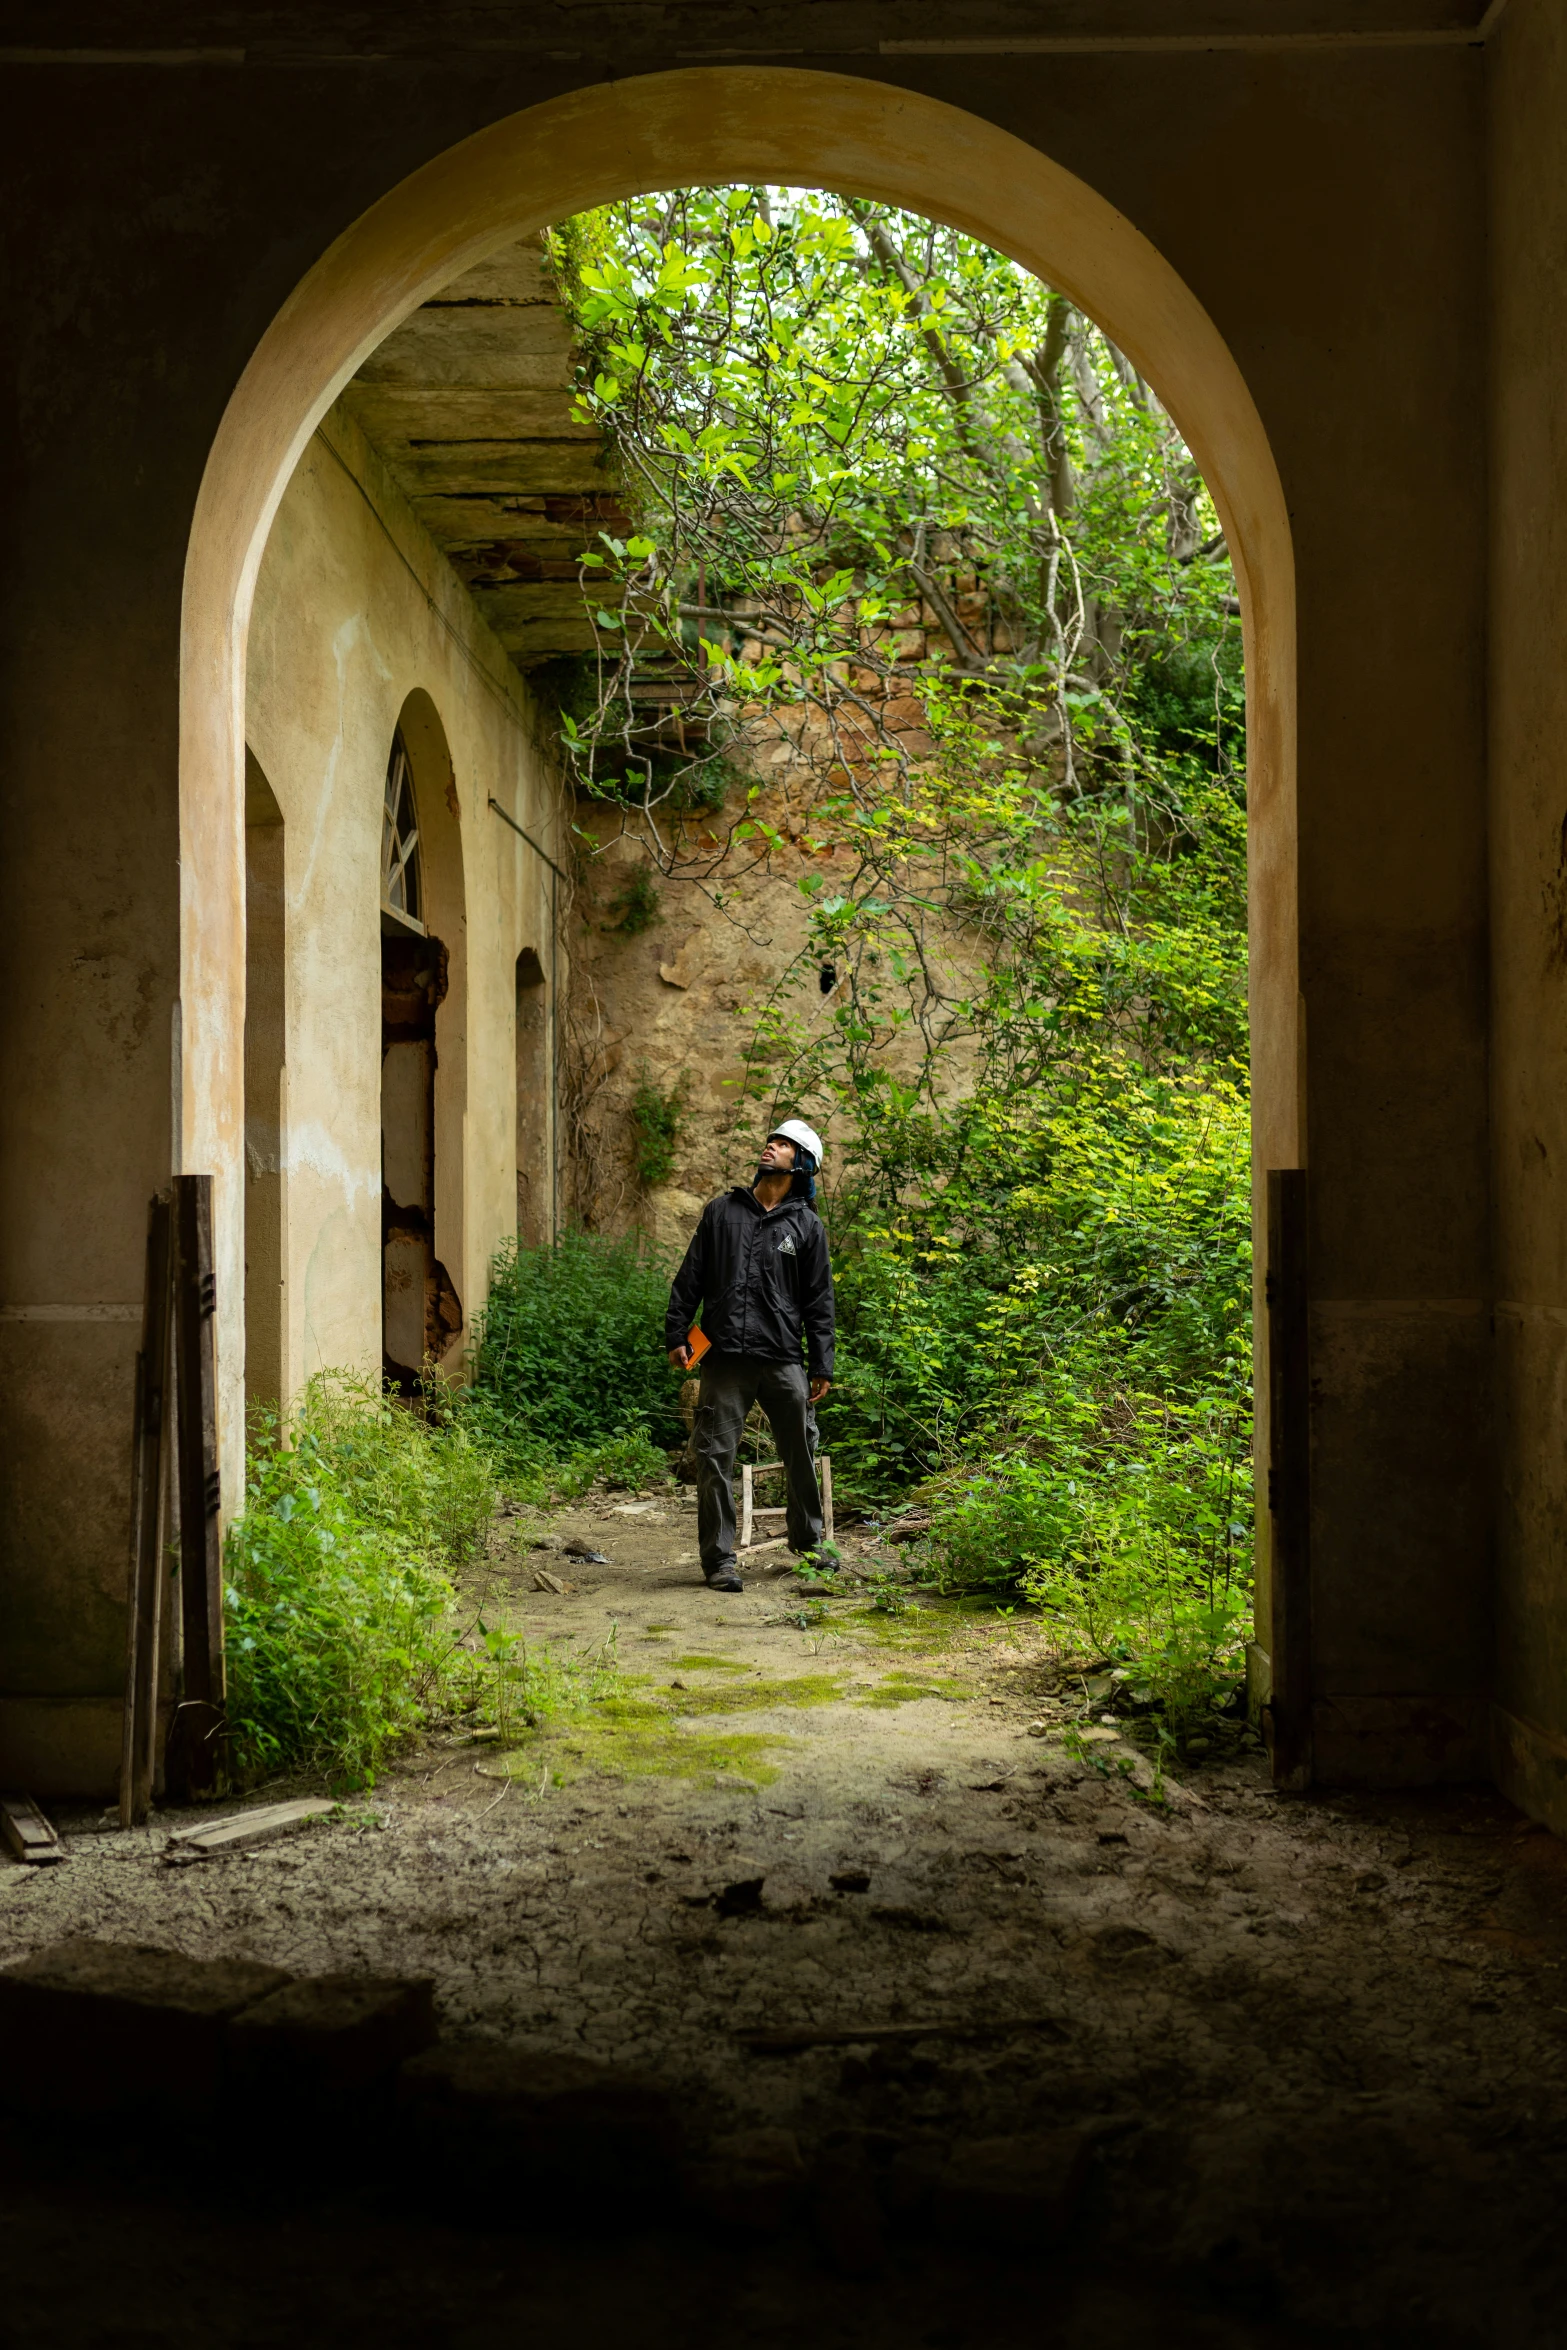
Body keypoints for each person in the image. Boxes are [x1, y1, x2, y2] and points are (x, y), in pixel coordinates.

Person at [665, 1118, 834, 1592]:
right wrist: (677, 1331)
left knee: (800, 1451)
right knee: (714, 1457)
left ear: (801, 1163)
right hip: (726, 1361)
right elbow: (690, 1277)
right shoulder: (722, 1212)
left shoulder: (806, 1226)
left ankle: (809, 1544)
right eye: (771, 1140)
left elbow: (819, 1301)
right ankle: (719, 1560)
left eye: (782, 1144)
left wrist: (822, 1364)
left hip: (783, 1359)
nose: (771, 1146)